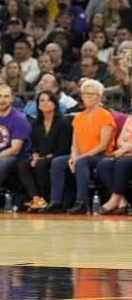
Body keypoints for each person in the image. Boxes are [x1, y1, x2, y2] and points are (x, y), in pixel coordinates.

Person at [46, 79, 116, 214]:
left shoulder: (105, 115)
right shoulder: (78, 117)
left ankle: (82, 202)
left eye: (92, 94)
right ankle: (56, 202)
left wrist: (80, 157)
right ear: (81, 96)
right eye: (85, 93)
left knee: (81, 161)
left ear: (99, 97)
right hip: (82, 156)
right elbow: (75, 143)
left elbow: (103, 145)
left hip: (101, 155)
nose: (88, 96)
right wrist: (73, 155)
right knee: (58, 162)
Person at [16, 91, 72, 212]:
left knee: (41, 164)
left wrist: (44, 158)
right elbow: (34, 145)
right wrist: (35, 155)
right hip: (41, 157)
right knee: (22, 164)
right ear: (38, 105)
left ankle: (45, 199)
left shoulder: (63, 122)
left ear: (55, 104)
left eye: (49, 100)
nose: (45, 103)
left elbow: (64, 148)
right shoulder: (36, 124)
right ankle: (36, 198)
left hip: (58, 156)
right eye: (42, 100)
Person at [96, 114, 132, 214]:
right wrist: (125, 148)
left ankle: (114, 200)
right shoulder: (130, 119)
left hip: (127, 155)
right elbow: (119, 141)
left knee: (121, 164)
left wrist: (128, 148)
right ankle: (122, 201)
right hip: (125, 153)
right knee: (104, 164)